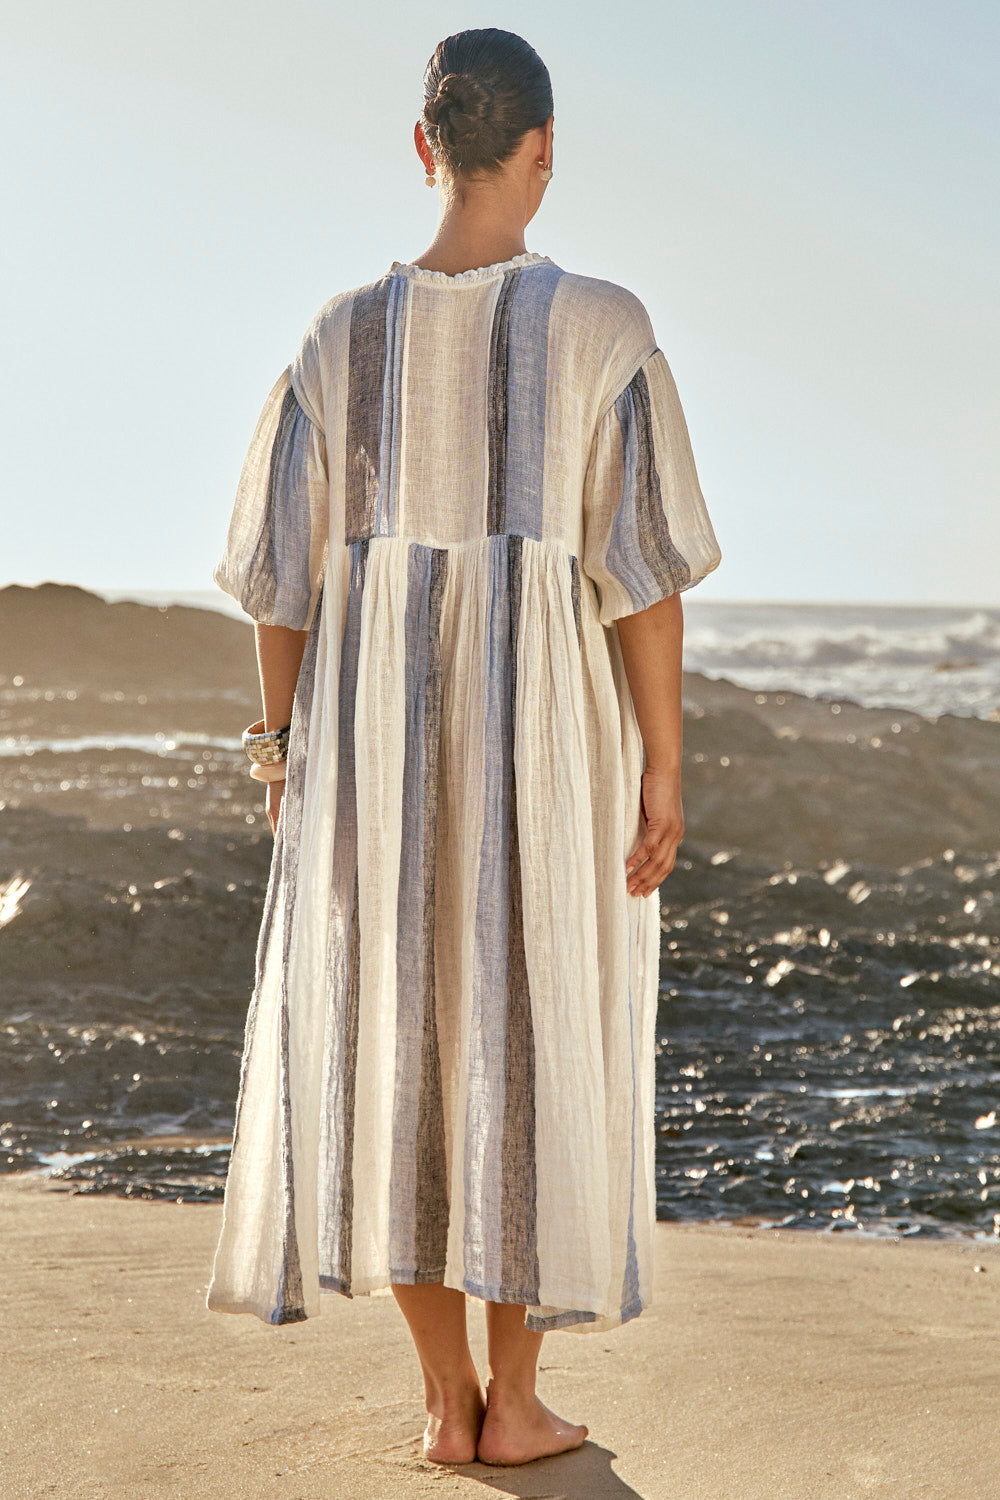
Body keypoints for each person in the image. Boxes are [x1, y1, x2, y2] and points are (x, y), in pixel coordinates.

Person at [205, 25, 722, 1471]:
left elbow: (281, 585)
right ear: (543, 149)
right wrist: (665, 766)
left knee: (402, 1042)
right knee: (531, 1030)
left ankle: (445, 1403)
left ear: (424, 147)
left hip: (368, 750)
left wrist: (280, 753)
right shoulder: (602, 328)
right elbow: (644, 577)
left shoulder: (334, 338)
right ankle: (516, 1400)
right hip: (545, 751)